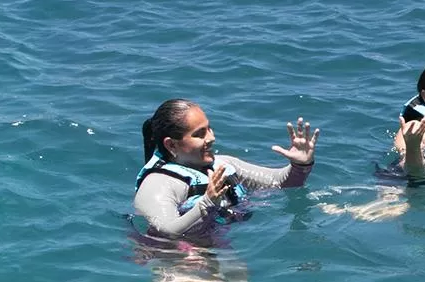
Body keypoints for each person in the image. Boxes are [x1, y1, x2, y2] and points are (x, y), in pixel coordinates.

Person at [134, 99, 319, 242]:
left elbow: (280, 183)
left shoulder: (222, 165)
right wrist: (205, 203)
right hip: (175, 255)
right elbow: (166, 232)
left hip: (218, 244)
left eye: (209, 129)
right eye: (199, 134)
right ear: (171, 144)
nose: (211, 138)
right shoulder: (157, 185)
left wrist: (300, 166)